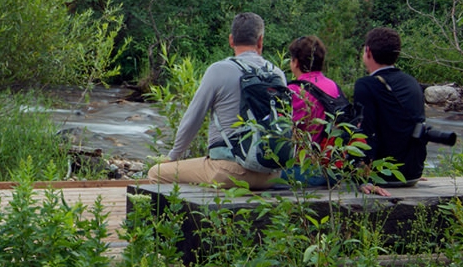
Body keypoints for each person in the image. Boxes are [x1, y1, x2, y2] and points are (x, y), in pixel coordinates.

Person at [147, 12, 287, 190]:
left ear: (231, 40)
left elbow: (193, 120)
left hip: (230, 172)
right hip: (271, 175)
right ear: (260, 41)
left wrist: (173, 156)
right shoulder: (277, 74)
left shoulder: (219, 70)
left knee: (156, 173)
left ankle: (178, 218)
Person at [353, 26, 426, 189]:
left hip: (382, 176)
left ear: (368, 52)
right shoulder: (412, 82)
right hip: (412, 173)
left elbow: (366, 131)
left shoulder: (366, 85)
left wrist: (363, 179)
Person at [281, 35, 343, 186]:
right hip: (332, 170)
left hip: (302, 170)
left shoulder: (293, 91)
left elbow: (280, 133)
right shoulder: (334, 87)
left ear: (295, 62)